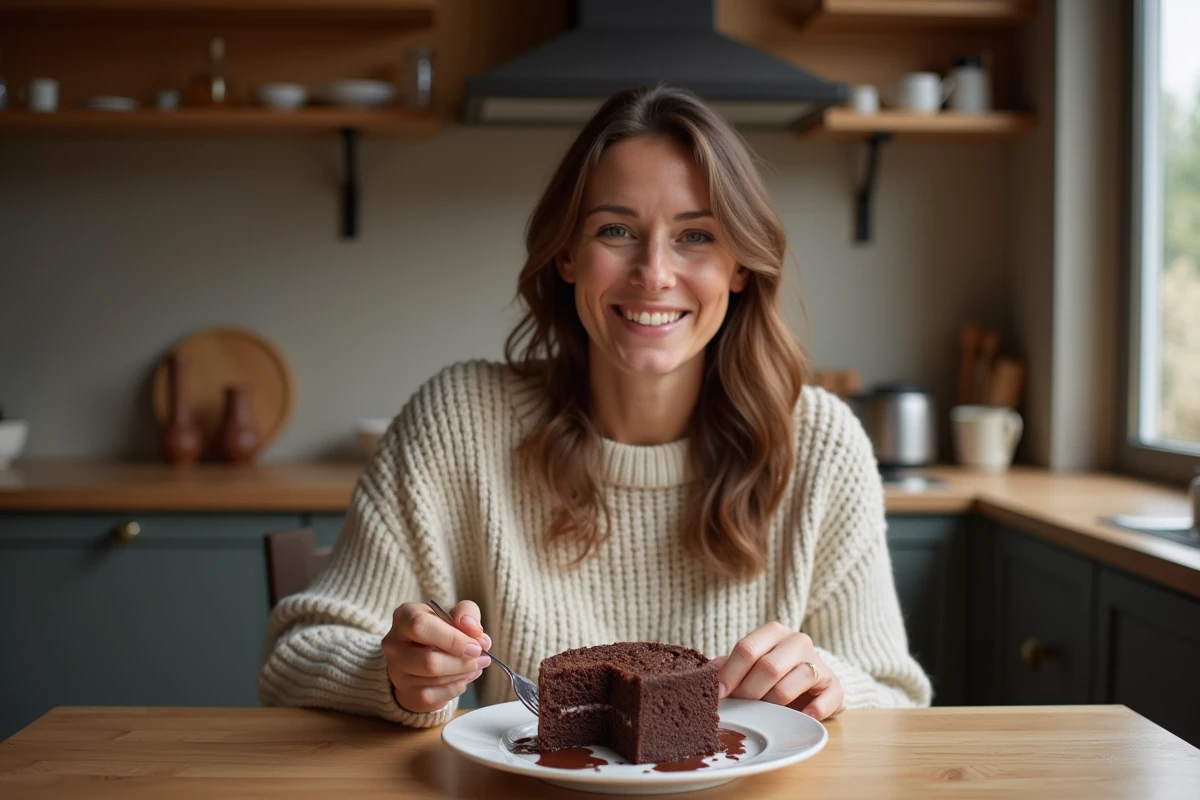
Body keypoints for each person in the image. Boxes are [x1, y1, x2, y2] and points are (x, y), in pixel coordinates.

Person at [258, 85, 932, 729]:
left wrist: (829, 685)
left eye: (695, 236)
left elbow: (897, 697)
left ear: (740, 267)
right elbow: (293, 658)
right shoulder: (458, 421)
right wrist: (396, 675)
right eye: (616, 229)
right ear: (567, 256)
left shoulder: (818, 441)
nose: (654, 273)